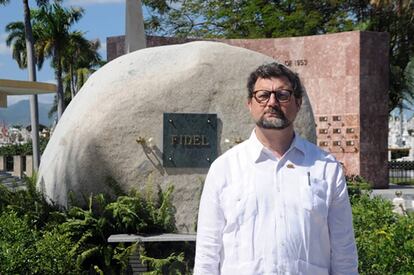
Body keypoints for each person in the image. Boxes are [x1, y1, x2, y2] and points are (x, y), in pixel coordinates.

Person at [193, 62, 358, 275]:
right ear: (249, 104)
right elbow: (208, 252)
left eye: (282, 95)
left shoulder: (325, 167)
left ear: (298, 103)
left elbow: (343, 249)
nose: (272, 102)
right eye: (263, 95)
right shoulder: (224, 168)